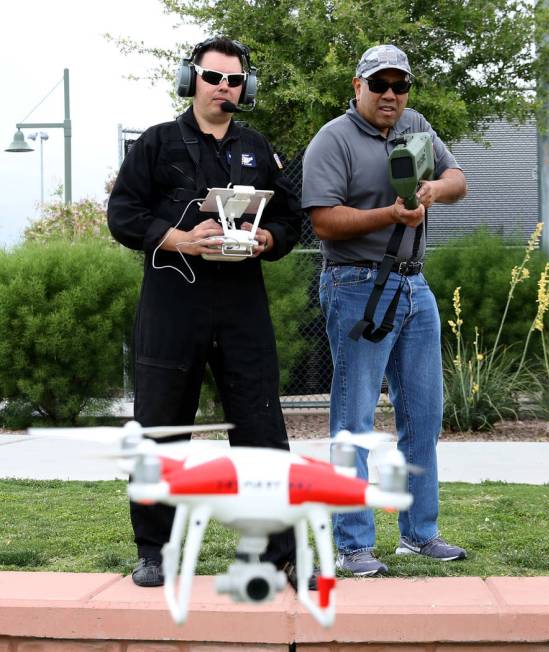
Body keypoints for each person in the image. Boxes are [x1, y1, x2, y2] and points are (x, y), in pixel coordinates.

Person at [108, 37, 305, 588]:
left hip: (241, 308)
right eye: (214, 77)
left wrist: (270, 237)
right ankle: (154, 551)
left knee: (262, 430)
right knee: (160, 429)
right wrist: (178, 239)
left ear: (247, 87)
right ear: (189, 79)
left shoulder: (259, 148)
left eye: (235, 80)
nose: (224, 87)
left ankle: (277, 553)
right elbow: (122, 215)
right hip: (173, 308)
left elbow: (291, 219)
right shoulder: (155, 143)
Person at [301, 44, 468, 576]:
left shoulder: (415, 123)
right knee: (354, 421)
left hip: (415, 288)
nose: (391, 95)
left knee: (423, 417)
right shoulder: (333, 139)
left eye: (400, 86)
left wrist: (434, 191)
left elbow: (458, 180)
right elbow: (324, 222)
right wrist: (389, 214)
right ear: (358, 86)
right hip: (355, 287)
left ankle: (419, 535)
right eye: (380, 85)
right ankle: (353, 544)